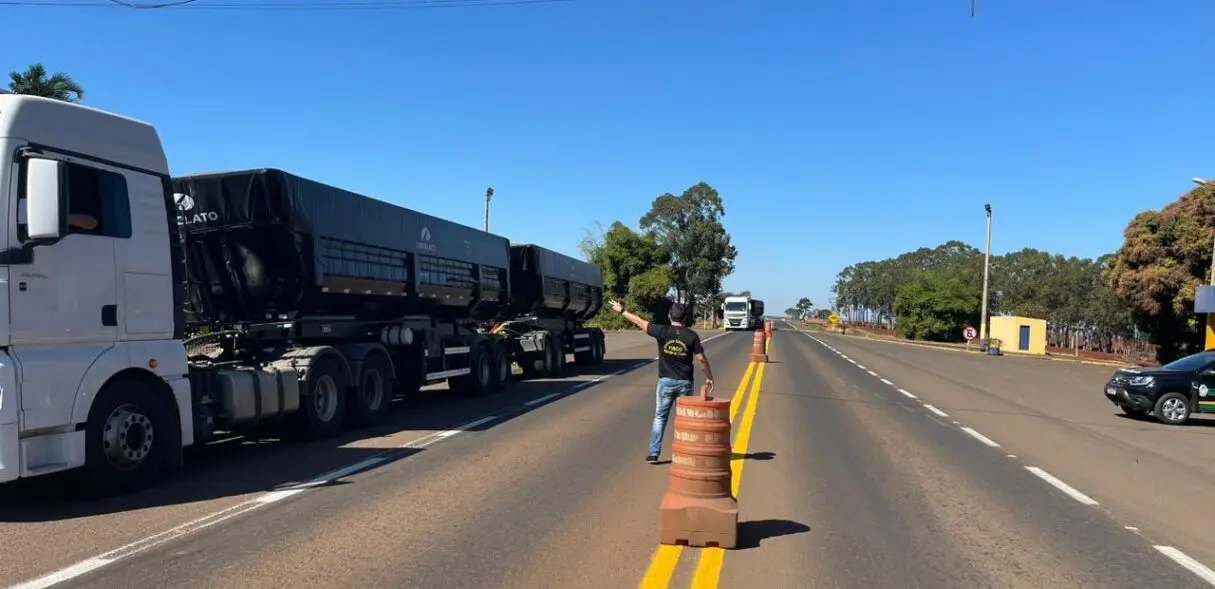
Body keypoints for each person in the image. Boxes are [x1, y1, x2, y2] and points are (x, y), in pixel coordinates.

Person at [607, 299, 715, 464]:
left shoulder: (662, 331)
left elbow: (639, 321)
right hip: (685, 382)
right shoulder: (691, 336)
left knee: (660, 417)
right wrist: (709, 377)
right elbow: (701, 359)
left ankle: (653, 453)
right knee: (683, 419)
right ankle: (683, 454)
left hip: (665, 382)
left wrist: (622, 311)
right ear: (685, 317)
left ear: (669, 316)